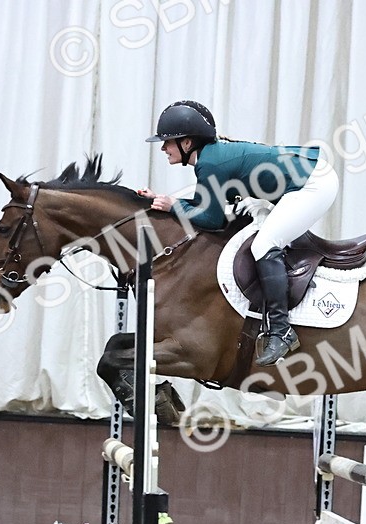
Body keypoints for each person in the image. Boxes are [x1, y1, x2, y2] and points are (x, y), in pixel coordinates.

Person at [142, 100, 340, 366]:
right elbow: (205, 206)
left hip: (314, 185)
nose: (163, 148)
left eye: (167, 142)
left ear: (186, 143)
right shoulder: (210, 157)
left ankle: (281, 331)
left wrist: (173, 206)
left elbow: (211, 219)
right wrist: (167, 202)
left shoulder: (209, 164)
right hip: (308, 176)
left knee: (264, 245)